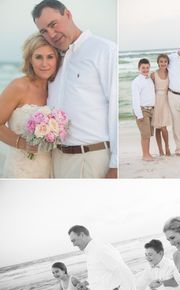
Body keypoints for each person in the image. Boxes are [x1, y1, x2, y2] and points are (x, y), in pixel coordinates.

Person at [32, 0, 117, 179]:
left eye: (53, 24)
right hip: (57, 159)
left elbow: (115, 108)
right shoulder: (55, 60)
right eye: (44, 32)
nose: (52, 34)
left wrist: (115, 165)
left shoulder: (104, 50)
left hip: (89, 158)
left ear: (68, 14)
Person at [0, 34, 60, 178]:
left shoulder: (56, 89)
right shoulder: (18, 86)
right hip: (22, 169)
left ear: (57, 60)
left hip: (51, 168)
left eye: (50, 57)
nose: (44, 64)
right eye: (38, 57)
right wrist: (22, 144)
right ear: (30, 60)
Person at [131, 58, 155, 161]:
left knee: (148, 134)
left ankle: (147, 153)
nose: (145, 70)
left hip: (151, 110)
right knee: (144, 134)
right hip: (142, 111)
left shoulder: (149, 79)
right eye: (143, 68)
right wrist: (139, 115)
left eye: (147, 68)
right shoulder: (136, 82)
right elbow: (135, 100)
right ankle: (144, 155)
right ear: (139, 69)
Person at [151, 54, 172, 156]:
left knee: (164, 127)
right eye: (161, 61)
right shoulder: (153, 74)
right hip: (156, 101)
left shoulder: (170, 73)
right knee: (158, 127)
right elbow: (149, 89)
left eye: (165, 61)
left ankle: (167, 147)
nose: (163, 63)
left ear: (167, 63)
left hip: (166, 100)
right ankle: (160, 150)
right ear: (158, 63)